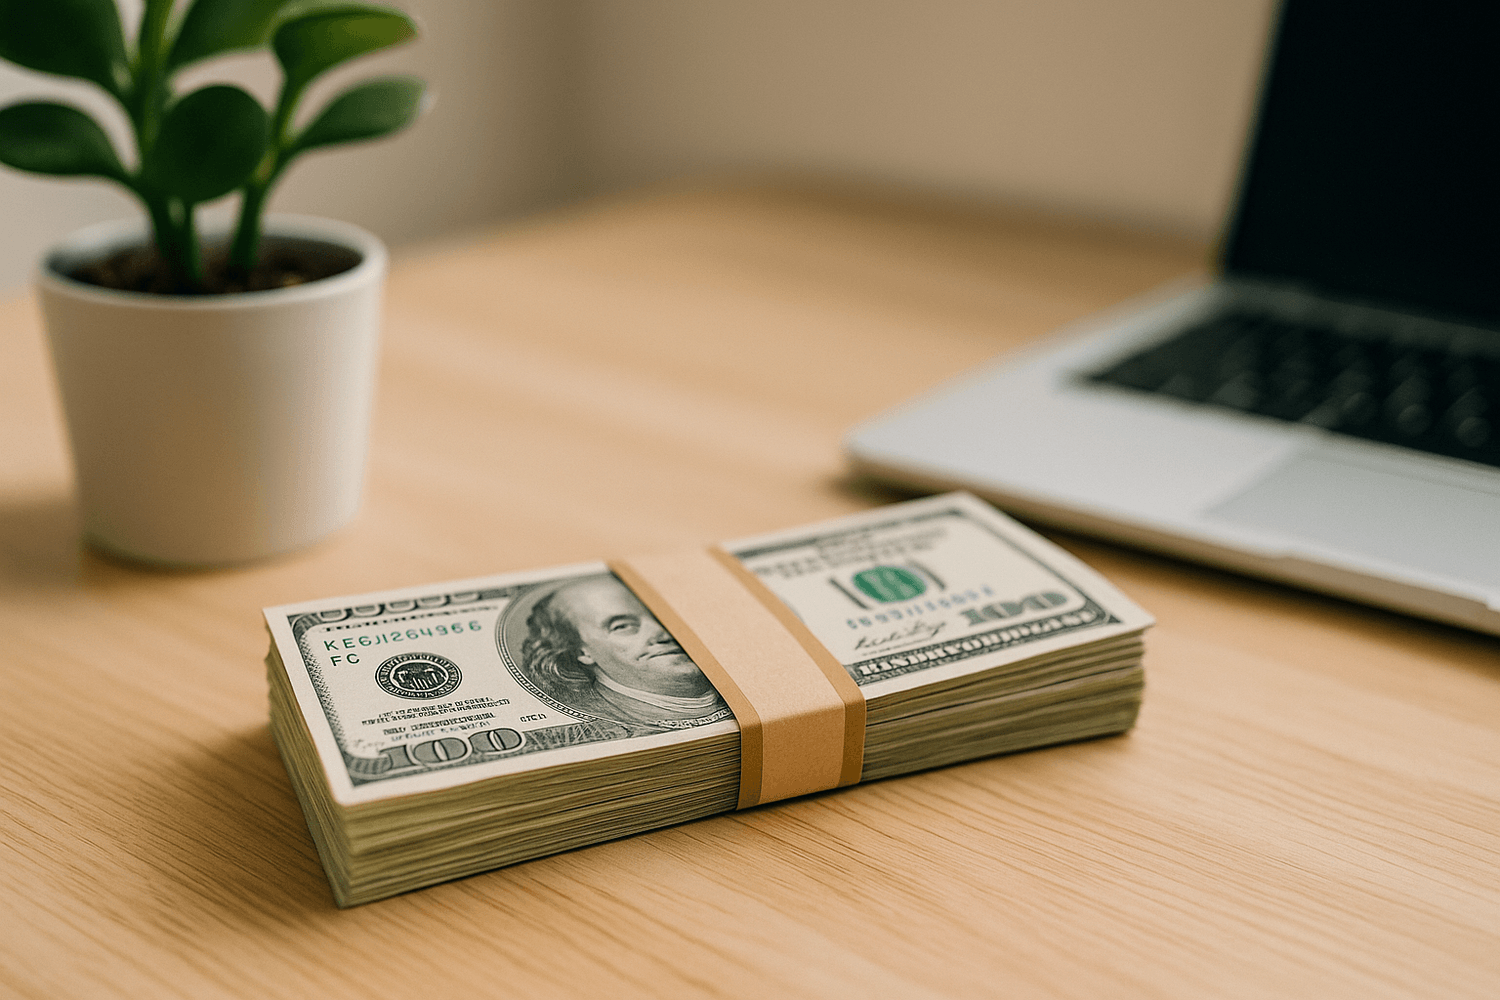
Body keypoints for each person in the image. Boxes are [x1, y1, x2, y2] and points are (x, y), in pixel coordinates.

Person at [521, 575, 730, 729]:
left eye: (663, 617)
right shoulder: (600, 722)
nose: (662, 632)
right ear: (580, 651)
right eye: (622, 626)